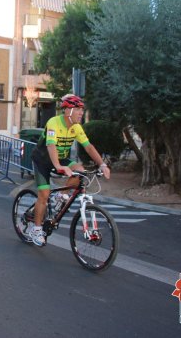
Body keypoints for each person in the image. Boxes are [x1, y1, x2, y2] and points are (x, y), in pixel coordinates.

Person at [29, 94, 111, 246]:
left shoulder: (76, 127)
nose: (81, 113)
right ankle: (36, 228)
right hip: (42, 160)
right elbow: (51, 145)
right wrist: (59, 166)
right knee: (44, 194)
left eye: (82, 110)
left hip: (61, 159)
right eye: (78, 109)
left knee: (80, 170)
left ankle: (61, 195)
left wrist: (102, 165)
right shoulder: (54, 122)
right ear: (68, 111)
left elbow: (88, 147)